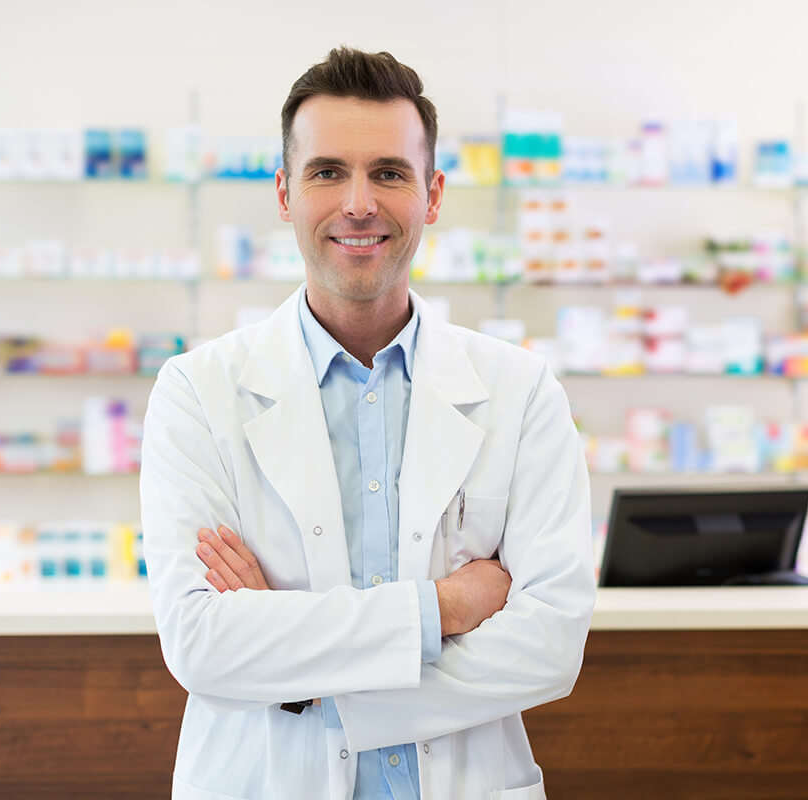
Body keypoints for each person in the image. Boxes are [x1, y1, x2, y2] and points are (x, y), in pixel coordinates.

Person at [141, 46, 595, 800]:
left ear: (433, 194)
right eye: (327, 172)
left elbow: (549, 648)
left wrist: (301, 680)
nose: (359, 203)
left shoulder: (520, 391)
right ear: (285, 194)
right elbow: (201, 646)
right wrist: (444, 608)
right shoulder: (197, 392)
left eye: (389, 172)